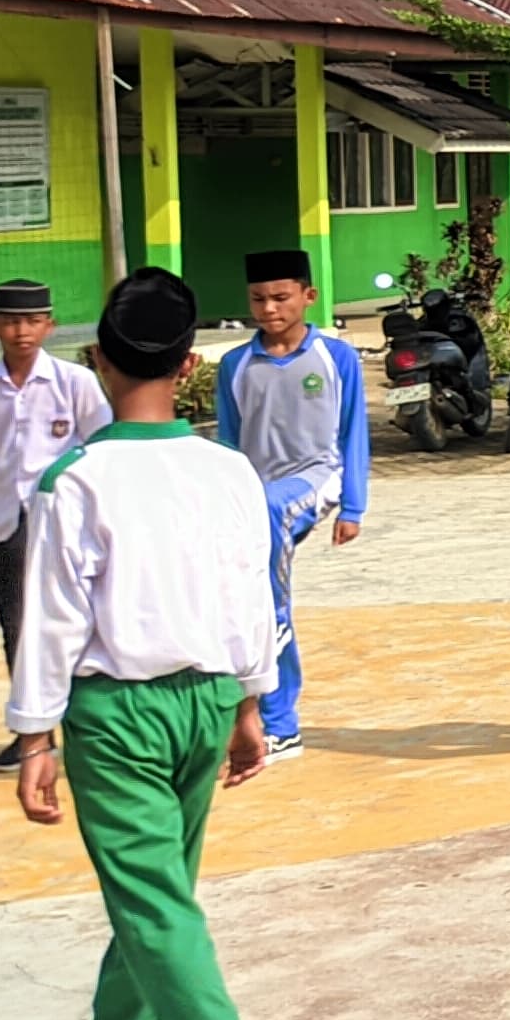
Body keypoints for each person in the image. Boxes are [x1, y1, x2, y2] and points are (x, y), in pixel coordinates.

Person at [4, 268, 291, 1020]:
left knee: (153, 893)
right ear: (189, 364)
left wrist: (35, 733)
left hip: (117, 709)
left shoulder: (72, 478)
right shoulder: (229, 469)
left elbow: (52, 618)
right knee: (158, 887)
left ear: (96, 363)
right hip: (209, 696)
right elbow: (256, 591)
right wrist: (252, 700)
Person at [212, 249, 367, 762]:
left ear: (308, 296)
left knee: (268, 594)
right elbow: (231, 443)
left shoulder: (334, 356)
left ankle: (281, 720)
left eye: (281, 297)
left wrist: (352, 505)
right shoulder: (236, 364)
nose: (269, 308)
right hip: (253, 491)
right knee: (238, 597)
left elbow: (354, 431)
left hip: (315, 478)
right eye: (258, 299)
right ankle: (249, 712)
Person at [0, 281, 105, 774]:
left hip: (65, 527)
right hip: (8, 525)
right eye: (10, 322)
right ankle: (32, 734)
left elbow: (101, 455)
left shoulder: (75, 384)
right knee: (16, 626)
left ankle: (89, 730)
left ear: (49, 325)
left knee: (76, 625)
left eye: (32, 321)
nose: (21, 331)